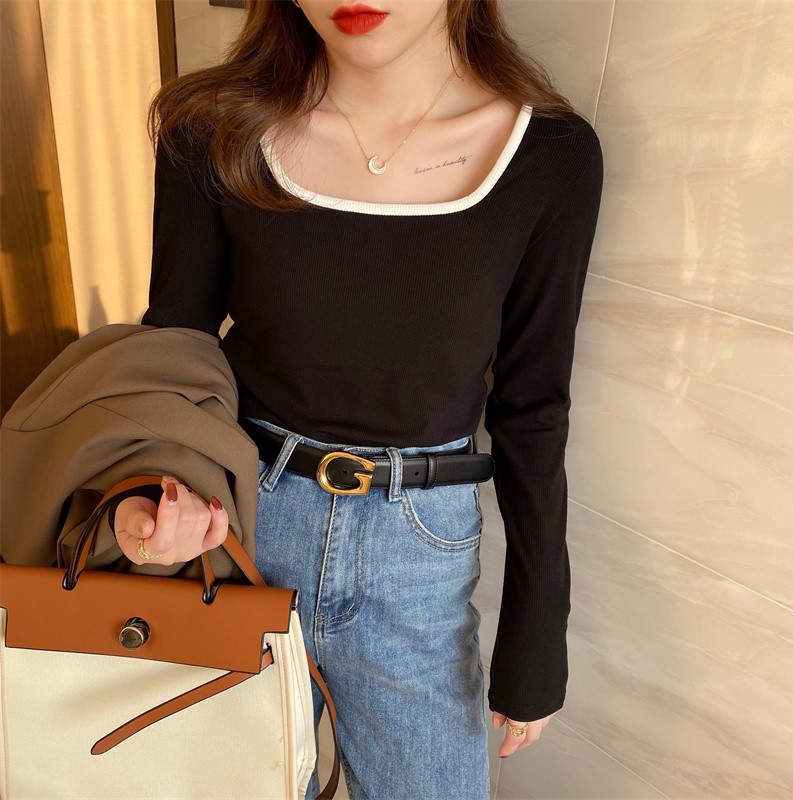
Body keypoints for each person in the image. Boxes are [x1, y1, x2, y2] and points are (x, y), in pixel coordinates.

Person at [110, 1, 604, 798]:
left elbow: (534, 407)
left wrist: (537, 633)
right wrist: (149, 499)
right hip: (240, 524)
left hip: (418, 554)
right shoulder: (211, 129)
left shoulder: (549, 156)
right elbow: (177, 353)